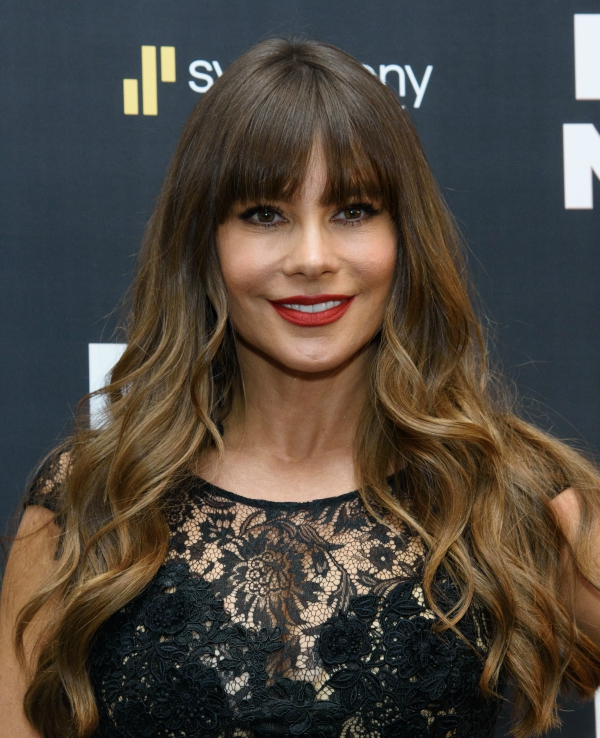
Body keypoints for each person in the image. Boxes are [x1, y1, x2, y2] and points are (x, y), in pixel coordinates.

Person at [1, 36, 600, 738]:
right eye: (265, 214)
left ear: (405, 239)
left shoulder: (508, 496)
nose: (312, 258)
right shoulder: (88, 500)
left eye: (352, 210)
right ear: (204, 244)